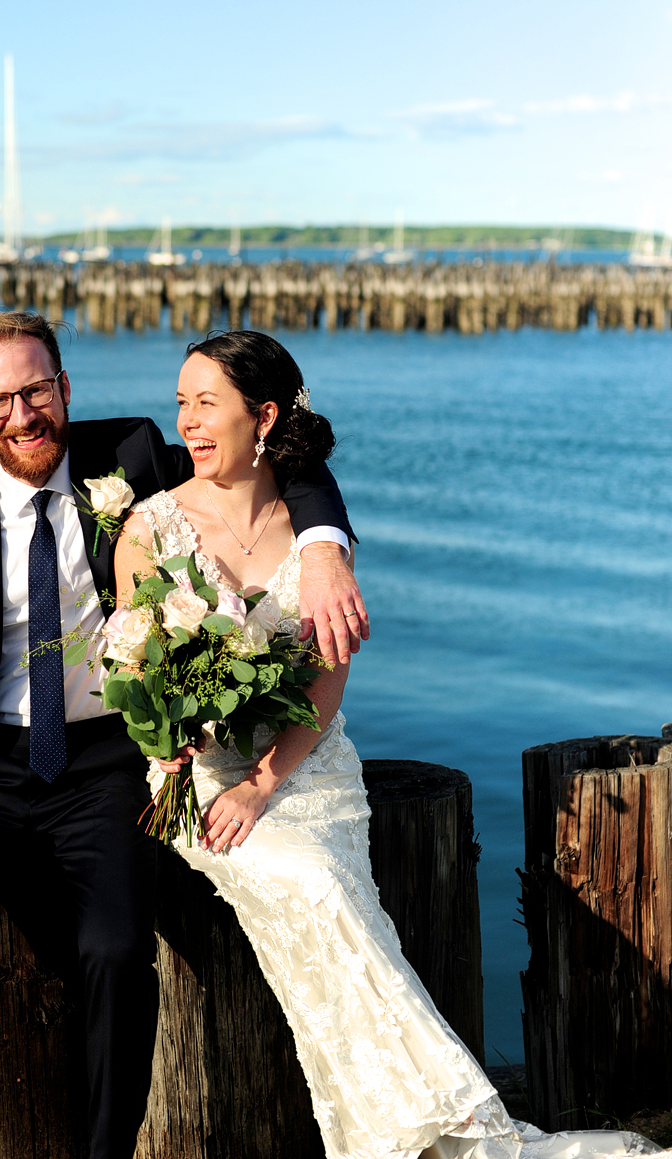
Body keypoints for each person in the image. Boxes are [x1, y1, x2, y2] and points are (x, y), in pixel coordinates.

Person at [0, 310, 367, 1159]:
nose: (23, 415)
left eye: (36, 390)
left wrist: (322, 544)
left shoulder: (134, 456)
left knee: (116, 949)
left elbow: (281, 452)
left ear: (65, 388)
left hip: (111, 761)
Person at [114, 329, 521, 1159]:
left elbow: (326, 680)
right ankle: (439, 1126)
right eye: (182, 401)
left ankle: (404, 1135)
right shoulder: (148, 529)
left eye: (207, 402)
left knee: (330, 882)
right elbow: (135, 664)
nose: (187, 422)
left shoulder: (316, 535)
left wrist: (264, 783)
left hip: (308, 761)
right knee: (305, 882)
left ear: (262, 416)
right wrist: (182, 757)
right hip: (193, 773)